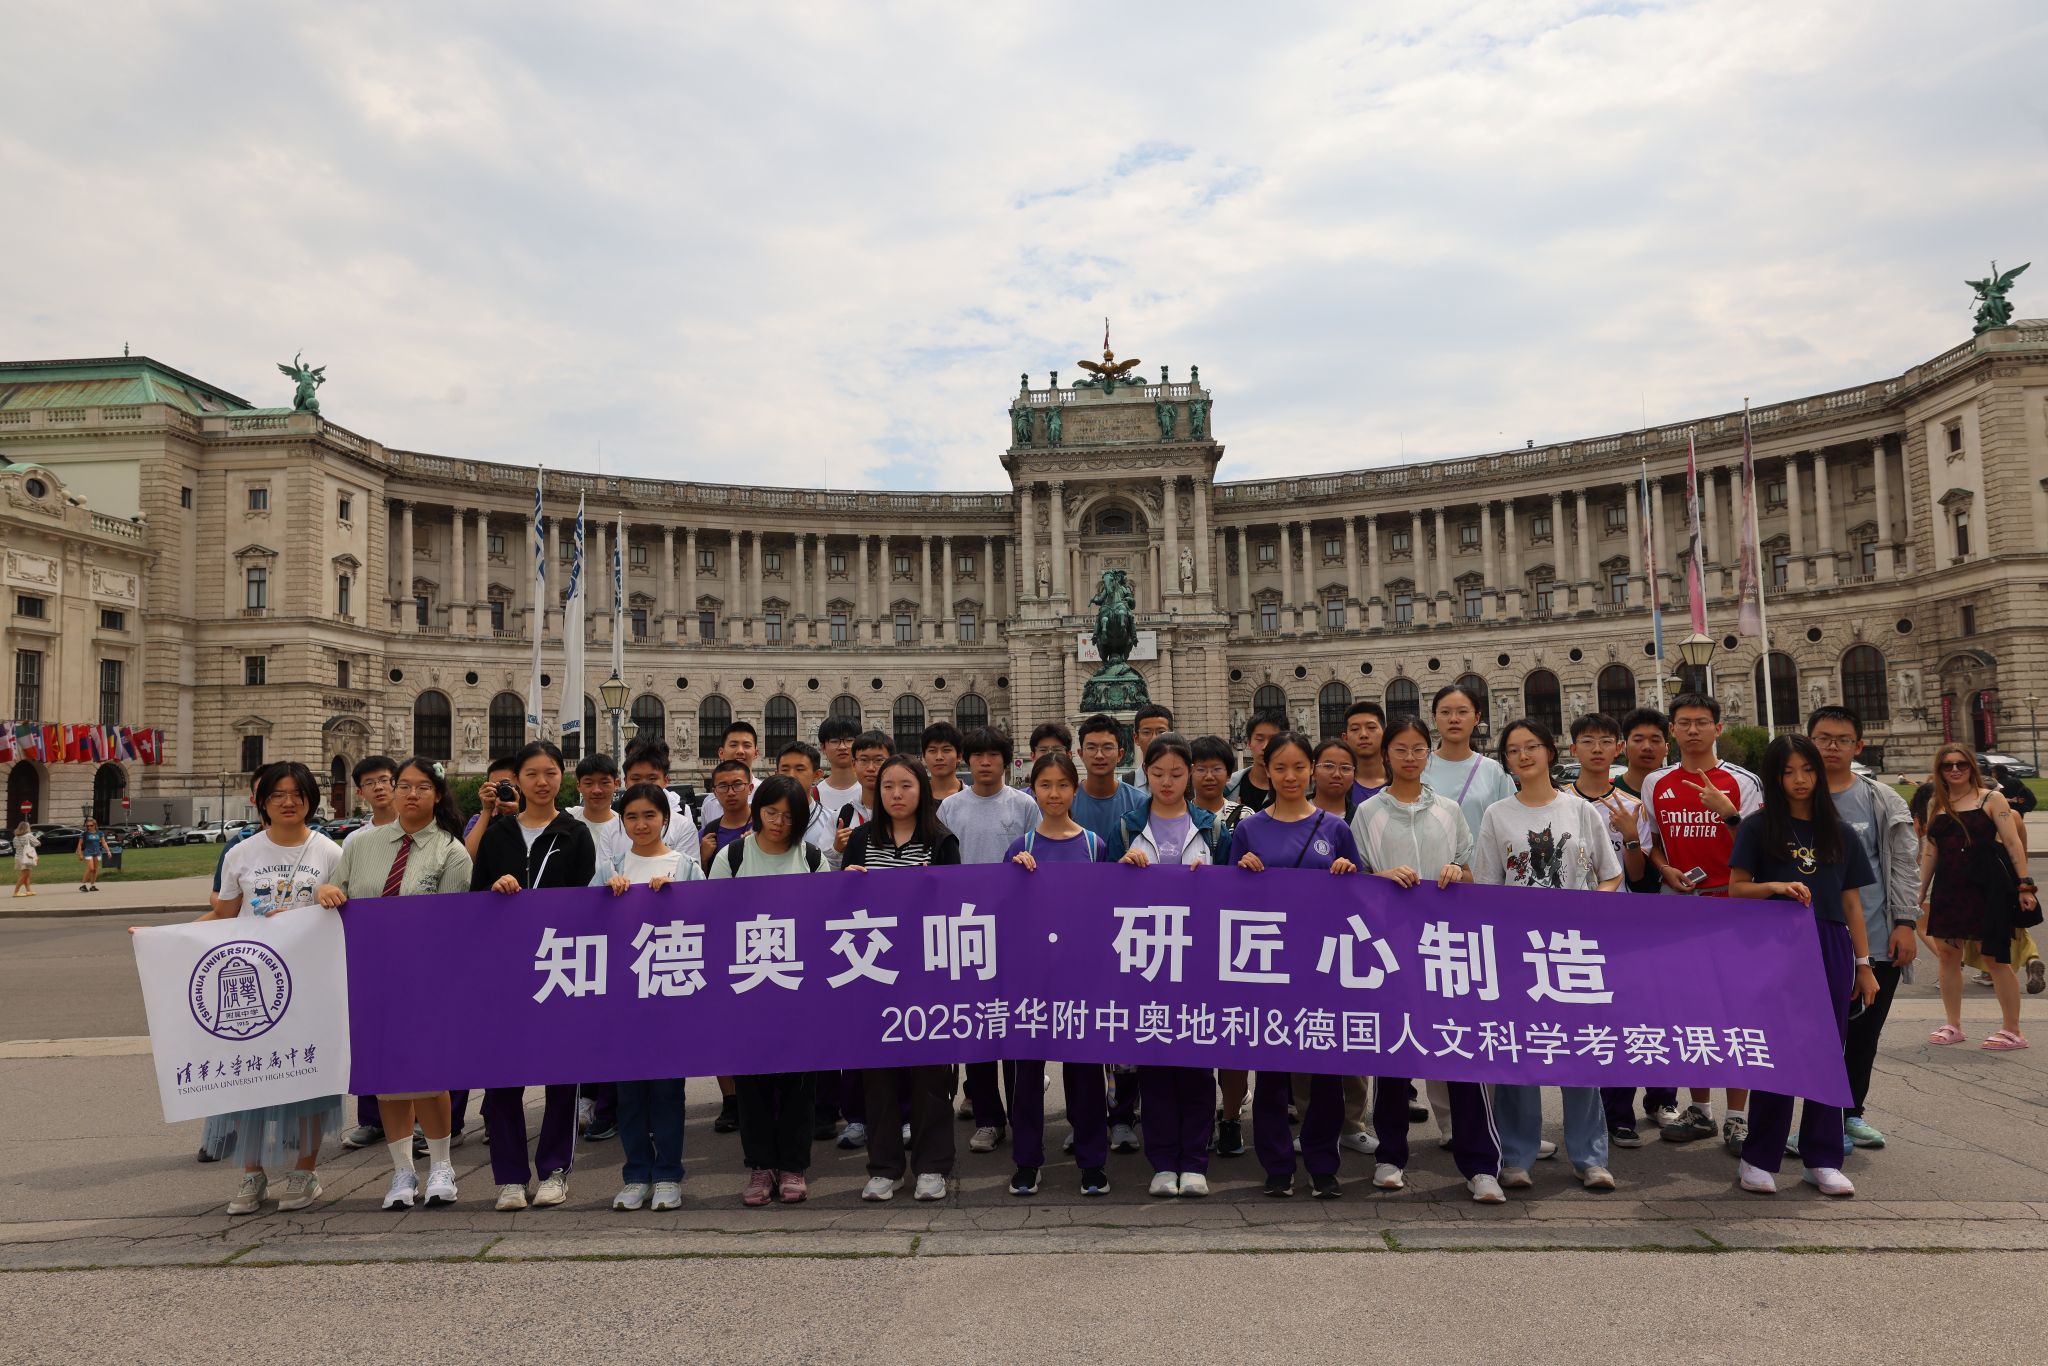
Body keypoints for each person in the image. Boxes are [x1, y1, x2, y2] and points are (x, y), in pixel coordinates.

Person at [1350, 715, 1504, 1201]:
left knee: (1460, 1056)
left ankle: (1480, 1165)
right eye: (1401, 749)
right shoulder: (1367, 813)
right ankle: (1390, 1156)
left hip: (1446, 949)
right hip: (1391, 950)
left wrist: (1457, 872)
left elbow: (1471, 871)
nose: (1410, 758)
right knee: (1393, 1057)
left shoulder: (1449, 811)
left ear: (1428, 754)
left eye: (1419, 749)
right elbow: (1355, 881)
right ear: (1386, 755)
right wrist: (1380, 878)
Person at [315, 757, 473, 1211]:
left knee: (429, 1075)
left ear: (437, 795)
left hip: (425, 980)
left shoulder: (451, 851)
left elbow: (451, 924)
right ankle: (402, 1169)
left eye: (422, 787)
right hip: (371, 977)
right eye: (404, 785)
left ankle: (441, 1165)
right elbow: (338, 893)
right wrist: (325, 892)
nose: (411, 794)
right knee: (386, 1077)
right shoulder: (361, 844)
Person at [1729, 734, 1882, 1197]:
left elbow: (1852, 903)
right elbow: (1737, 888)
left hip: (1830, 943)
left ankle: (1823, 1158)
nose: (1800, 780)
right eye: (1788, 772)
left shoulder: (1839, 831)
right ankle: (1758, 1158)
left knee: (1826, 1051)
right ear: (1775, 778)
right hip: (1776, 945)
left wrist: (1863, 964)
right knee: (1776, 1050)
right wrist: (1776, 887)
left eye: (1808, 770)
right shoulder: (1758, 828)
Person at [1473, 718, 1622, 1192]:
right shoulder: (1497, 815)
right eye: (1513, 749)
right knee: (1520, 1053)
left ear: (1550, 751)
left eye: (1532, 746)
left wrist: (1596, 904)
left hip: (1574, 950)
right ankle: (1516, 1156)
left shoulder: (1579, 810)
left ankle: (1590, 1157)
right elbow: (1486, 886)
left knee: (1581, 1053)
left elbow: (1610, 873)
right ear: (1506, 760)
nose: (1523, 755)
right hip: (1519, 951)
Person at [194, 762, 345, 1214]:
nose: (288, 802)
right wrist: (161, 940)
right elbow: (224, 915)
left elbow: (345, 912)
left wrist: (328, 899)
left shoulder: (330, 852)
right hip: (253, 982)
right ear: (262, 802)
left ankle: (305, 1172)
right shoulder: (242, 853)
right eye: (277, 794)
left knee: (309, 1077)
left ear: (311, 799)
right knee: (250, 1077)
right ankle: (252, 1174)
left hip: (311, 982)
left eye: (297, 793)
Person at [1228, 731, 1362, 1198]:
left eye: (1299, 767)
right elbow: (1229, 902)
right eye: (1280, 768)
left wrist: (1347, 874)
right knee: (1272, 1073)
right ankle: (1277, 1164)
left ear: (1311, 771)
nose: (1290, 776)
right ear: (1265, 769)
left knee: (1325, 1070)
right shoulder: (1249, 830)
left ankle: (1323, 1163)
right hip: (1267, 964)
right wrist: (1242, 873)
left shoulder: (1335, 829)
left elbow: (1358, 900)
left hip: (1322, 964)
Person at [469, 740, 598, 1211]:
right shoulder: (498, 834)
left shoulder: (575, 833)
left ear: (562, 777)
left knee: (561, 1073)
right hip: (504, 970)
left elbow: (584, 901)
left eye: (550, 773)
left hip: (559, 968)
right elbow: (474, 898)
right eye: (531, 774)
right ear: (517, 780)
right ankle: (509, 1177)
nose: (542, 782)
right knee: (503, 1075)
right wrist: (496, 888)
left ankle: (555, 1170)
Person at [1641, 692, 1762, 1150]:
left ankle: (1737, 1117)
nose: (1693, 730)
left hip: (1732, 906)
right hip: (1680, 904)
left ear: (1718, 728)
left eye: (1702, 722)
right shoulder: (1657, 782)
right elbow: (1652, 841)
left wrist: (1727, 813)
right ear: (1672, 729)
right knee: (1690, 1012)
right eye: (1684, 722)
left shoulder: (1743, 781)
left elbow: (1760, 846)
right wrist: (1664, 868)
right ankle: (1700, 1109)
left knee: (1737, 1014)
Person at [845, 756, 961, 1201]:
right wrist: (847, 882)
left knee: (931, 1075)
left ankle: (932, 1166)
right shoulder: (861, 840)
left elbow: (956, 908)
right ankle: (884, 1167)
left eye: (906, 785)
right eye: (888, 786)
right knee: (877, 1077)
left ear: (922, 790)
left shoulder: (941, 841)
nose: (896, 794)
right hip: (871, 972)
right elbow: (843, 910)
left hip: (926, 974)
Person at [1114, 733, 1224, 1197]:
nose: (1167, 782)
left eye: (1177, 774)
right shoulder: (1127, 827)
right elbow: (1107, 893)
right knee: (1155, 1064)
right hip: (1148, 959)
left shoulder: (1212, 828)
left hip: (1198, 961)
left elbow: (1234, 892)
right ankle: (1162, 1161)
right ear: (1145, 772)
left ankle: (1194, 1160)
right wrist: (1123, 868)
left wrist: (1217, 876)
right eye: (1158, 773)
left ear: (1190, 774)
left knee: (1197, 1066)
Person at [711, 775, 829, 1206]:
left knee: (799, 1082)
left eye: (789, 816)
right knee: (753, 1082)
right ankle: (761, 1165)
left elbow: (825, 919)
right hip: (747, 986)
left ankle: (794, 1165)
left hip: (798, 988)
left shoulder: (812, 858)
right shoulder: (732, 856)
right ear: (758, 810)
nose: (779, 822)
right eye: (771, 812)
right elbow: (713, 916)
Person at [1807, 706, 1918, 1149]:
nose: (1831, 747)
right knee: (1816, 1036)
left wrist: (1905, 922)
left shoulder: (1882, 799)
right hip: (1809, 941)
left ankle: (1851, 1114)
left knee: (1863, 1036)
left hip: (1874, 936)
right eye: (1823, 738)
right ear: (1810, 741)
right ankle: (1815, 1123)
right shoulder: (1794, 796)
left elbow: (1905, 865)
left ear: (1859, 745)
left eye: (1842, 739)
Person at [1003, 750, 1113, 1196]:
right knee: (1027, 1075)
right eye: (1045, 785)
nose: (1054, 794)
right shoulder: (1021, 847)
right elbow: (1004, 912)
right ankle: (1027, 1161)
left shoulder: (1094, 845)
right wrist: (1015, 876)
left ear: (1075, 789)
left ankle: (1092, 1161)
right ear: (1033, 789)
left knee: (1085, 1074)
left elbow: (1108, 909)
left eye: (1063, 785)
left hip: (1080, 975)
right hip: (1031, 976)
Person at [600, 781, 704, 1212]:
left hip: (670, 998)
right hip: (623, 1002)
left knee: (666, 1092)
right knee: (628, 1095)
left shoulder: (685, 867)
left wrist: (677, 900)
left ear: (665, 818)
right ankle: (635, 1174)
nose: (641, 824)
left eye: (649, 815)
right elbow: (587, 928)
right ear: (622, 822)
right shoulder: (610, 868)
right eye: (631, 817)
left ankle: (668, 1174)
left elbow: (706, 922)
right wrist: (606, 895)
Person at [939, 726, 1041, 1153]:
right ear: (968, 760)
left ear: (1005, 760)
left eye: (992, 755)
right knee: (977, 1025)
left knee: (1015, 1023)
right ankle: (987, 1118)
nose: (985, 762)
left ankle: (1022, 1114)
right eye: (977, 755)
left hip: (1016, 930)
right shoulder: (950, 807)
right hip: (966, 929)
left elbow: (1039, 859)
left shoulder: (1024, 805)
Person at [1567, 713, 1660, 1148]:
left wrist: (1631, 836)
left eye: (1606, 741)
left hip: (1620, 924)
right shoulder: (1560, 801)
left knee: (1620, 1019)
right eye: (1588, 741)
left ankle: (1619, 1113)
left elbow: (1637, 875)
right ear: (1573, 749)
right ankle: (1581, 1117)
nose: (1597, 749)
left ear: (1617, 748)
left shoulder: (1632, 805)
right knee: (1577, 1023)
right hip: (1570, 928)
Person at [1918, 745, 2035, 1052]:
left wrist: (2025, 885)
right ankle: (1953, 1024)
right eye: (1947, 766)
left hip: (1987, 886)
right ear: (1940, 771)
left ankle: (2013, 1030)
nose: (1955, 770)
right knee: (1947, 955)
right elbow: (1931, 850)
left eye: (1961, 764)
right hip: (1949, 886)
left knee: (1994, 957)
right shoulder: (1936, 803)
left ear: (1972, 767)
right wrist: (1919, 891)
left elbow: (2012, 842)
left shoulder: (1991, 799)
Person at [1190, 733, 1254, 1155]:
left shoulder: (1245, 818)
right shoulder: (1178, 815)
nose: (1209, 775)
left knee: (1232, 1036)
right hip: (1188, 939)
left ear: (1229, 773)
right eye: (1201, 768)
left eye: (1217, 768)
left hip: (1232, 937)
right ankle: (1197, 1120)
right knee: (1195, 1035)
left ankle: (1230, 1118)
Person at [565, 752, 628, 1143]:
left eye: (605, 782)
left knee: (612, 1022)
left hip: (617, 935)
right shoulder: (568, 823)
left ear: (615, 785)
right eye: (589, 782)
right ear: (579, 786)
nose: (597, 789)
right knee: (583, 1022)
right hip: (575, 932)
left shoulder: (626, 825)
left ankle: (608, 1104)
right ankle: (585, 1096)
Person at [1424, 683, 1516, 840]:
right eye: (1445, 712)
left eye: (1462, 712)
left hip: (1481, 856)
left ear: (1476, 718)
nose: (1454, 719)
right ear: (1434, 719)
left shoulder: (1494, 772)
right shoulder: (1419, 767)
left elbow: (1512, 824)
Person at [1071, 714, 1146, 849]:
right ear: (1081, 754)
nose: (1099, 755)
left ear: (1120, 754)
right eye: (1091, 748)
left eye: (1107, 748)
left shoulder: (1140, 803)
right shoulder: (1067, 801)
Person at [621, 738, 698, 854]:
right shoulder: (613, 822)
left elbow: (687, 862)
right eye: (636, 778)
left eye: (652, 778)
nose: (644, 784)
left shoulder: (682, 820)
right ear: (625, 781)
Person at [695, 720, 760, 828]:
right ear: (721, 752)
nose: (740, 751)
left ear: (756, 753)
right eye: (733, 745)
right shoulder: (709, 804)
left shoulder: (766, 793)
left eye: (746, 745)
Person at [698, 759, 756, 869]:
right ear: (715, 792)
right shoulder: (706, 835)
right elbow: (698, 877)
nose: (731, 793)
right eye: (723, 786)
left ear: (750, 788)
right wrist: (703, 859)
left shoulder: (765, 828)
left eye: (737, 784)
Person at [1225, 710, 1285, 814]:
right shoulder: (1227, 788)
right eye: (1259, 739)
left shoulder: (1293, 787)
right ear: (1249, 743)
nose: (1265, 747)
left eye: (1273, 740)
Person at [463, 755, 519, 861]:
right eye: (496, 787)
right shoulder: (479, 820)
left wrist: (517, 816)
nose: (502, 791)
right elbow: (467, 859)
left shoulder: (535, 818)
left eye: (507, 786)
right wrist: (486, 810)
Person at [814, 715, 865, 828]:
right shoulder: (814, 795)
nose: (842, 747)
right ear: (823, 747)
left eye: (849, 740)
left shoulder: (870, 791)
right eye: (834, 741)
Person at [343, 755, 400, 846]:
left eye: (384, 780)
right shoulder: (353, 841)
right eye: (369, 783)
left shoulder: (417, 830)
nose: (378, 787)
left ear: (397, 783)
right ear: (360, 792)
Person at [1122, 703, 1175, 794]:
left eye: (1161, 732)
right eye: (1146, 732)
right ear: (1136, 738)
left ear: (1172, 736)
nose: (1154, 739)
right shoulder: (1123, 787)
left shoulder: (1187, 784)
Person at [1343, 701, 1389, 802]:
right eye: (1355, 729)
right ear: (1345, 738)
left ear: (1385, 734)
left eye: (1371, 727)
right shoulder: (1338, 786)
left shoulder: (1401, 780)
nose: (1363, 734)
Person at [1310, 737, 1360, 819]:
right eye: (1328, 766)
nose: (1337, 774)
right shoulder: (1293, 813)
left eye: (1345, 768)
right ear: (1312, 771)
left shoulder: (1361, 817)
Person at [921, 721, 965, 802]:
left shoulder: (972, 798)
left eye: (946, 750)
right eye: (932, 750)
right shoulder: (916, 798)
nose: (939, 757)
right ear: (924, 757)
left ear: (959, 756)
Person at [78, 817, 104, 892]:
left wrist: (108, 851)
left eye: (91, 825)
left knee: (95, 870)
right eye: (87, 826)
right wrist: (80, 854)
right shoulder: (84, 834)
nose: (89, 827)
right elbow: (79, 844)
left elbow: (104, 842)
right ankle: (83, 885)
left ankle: (92, 886)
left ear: (95, 825)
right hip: (88, 852)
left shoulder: (100, 833)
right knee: (90, 868)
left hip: (97, 852)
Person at [10, 821, 36, 897]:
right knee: (24, 875)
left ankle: (28, 890)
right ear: (27, 828)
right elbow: (38, 843)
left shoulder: (15, 837)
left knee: (26, 875)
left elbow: (16, 847)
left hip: (18, 857)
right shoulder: (29, 836)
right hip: (26, 857)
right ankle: (16, 891)